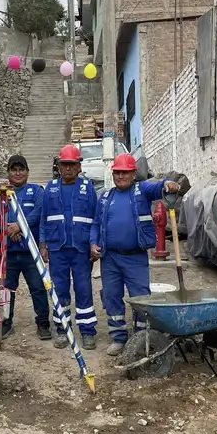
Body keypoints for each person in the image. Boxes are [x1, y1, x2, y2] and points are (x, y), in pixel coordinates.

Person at [90, 154, 180, 357]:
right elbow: (96, 224)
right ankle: (118, 337)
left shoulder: (142, 190)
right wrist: (93, 243)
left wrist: (168, 184)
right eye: (117, 172)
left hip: (135, 257)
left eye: (125, 172)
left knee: (140, 297)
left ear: (133, 174)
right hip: (110, 258)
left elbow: (158, 187)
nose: (120, 176)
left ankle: (141, 336)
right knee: (112, 296)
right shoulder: (105, 197)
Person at [40, 145, 97, 350]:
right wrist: (43, 244)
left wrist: (93, 243)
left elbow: (95, 220)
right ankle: (63, 329)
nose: (68, 169)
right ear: (59, 167)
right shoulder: (50, 188)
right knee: (59, 289)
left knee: (84, 289)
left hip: (81, 249)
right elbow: (44, 219)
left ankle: (88, 331)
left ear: (79, 166)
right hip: (57, 248)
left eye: (72, 165)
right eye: (64, 165)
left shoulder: (88, 187)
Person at [1, 154, 51, 341]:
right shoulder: (2, 193)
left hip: (30, 252)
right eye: (14, 169)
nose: (18, 173)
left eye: (21, 169)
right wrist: (9, 228)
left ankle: (43, 324)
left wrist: (19, 225)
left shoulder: (36, 191)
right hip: (8, 252)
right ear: (8, 173)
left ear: (28, 172)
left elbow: (39, 212)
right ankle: (6, 323)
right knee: (6, 289)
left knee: (38, 288)